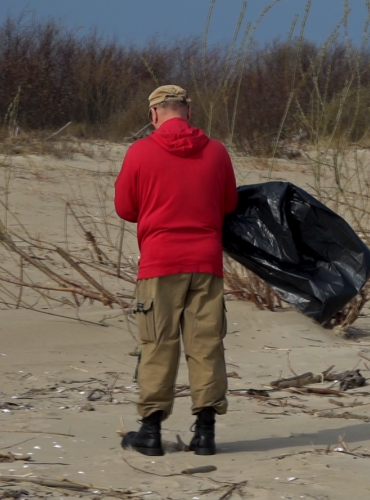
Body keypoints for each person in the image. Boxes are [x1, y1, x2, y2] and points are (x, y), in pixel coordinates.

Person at [115, 85, 238, 456]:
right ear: (188, 111)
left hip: (159, 262)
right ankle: (205, 431)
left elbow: (125, 207)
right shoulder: (216, 152)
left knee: (157, 344)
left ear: (154, 114)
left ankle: (150, 430)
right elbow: (229, 203)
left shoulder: (140, 151)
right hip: (206, 262)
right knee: (206, 346)